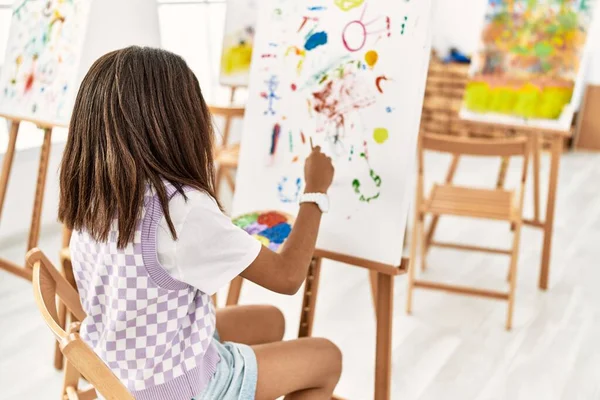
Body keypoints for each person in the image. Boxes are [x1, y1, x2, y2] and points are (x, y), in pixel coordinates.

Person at [58, 46, 341, 400]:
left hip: (122, 371)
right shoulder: (181, 210)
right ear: (178, 124)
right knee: (327, 358)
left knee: (272, 320)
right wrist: (315, 191)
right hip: (179, 390)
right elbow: (287, 276)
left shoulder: (95, 195)